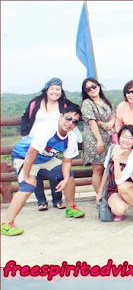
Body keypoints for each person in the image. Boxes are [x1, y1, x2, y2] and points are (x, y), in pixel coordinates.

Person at [2, 105, 85, 237]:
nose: (70, 123)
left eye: (75, 121)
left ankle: (70, 207)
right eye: (68, 118)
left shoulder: (71, 138)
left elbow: (67, 161)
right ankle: (7, 224)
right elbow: (31, 152)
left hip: (45, 159)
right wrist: (27, 175)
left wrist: (64, 180)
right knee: (27, 187)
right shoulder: (49, 129)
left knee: (68, 176)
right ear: (60, 116)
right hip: (24, 156)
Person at [20, 77, 69, 209]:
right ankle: (41, 201)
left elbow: (75, 112)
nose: (55, 91)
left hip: (53, 142)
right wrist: (24, 135)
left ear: (61, 91)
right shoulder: (35, 102)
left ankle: (57, 200)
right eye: (52, 88)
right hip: (34, 140)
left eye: (58, 89)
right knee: (36, 170)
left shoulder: (63, 104)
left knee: (54, 171)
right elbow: (25, 118)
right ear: (46, 90)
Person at [96, 125, 133, 226]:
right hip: (113, 190)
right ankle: (121, 206)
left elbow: (119, 180)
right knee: (119, 210)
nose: (126, 140)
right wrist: (100, 192)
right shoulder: (112, 149)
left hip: (131, 188)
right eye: (124, 136)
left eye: (130, 138)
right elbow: (106, 172)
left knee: (122, 186)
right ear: (119, 137)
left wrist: (116, 158)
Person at [81, 77, 116, 194]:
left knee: (107, 168)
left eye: (94, 86)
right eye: (88, 89)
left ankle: (108, 193)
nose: (92, 90)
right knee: (98, 169)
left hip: (109, 139)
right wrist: (99, 141)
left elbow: (113, 114)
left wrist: (111, 122)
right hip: (94, 139)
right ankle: (100, 196)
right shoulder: (87, 103)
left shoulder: (105, 101)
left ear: (99, 86)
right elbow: (91, 122)